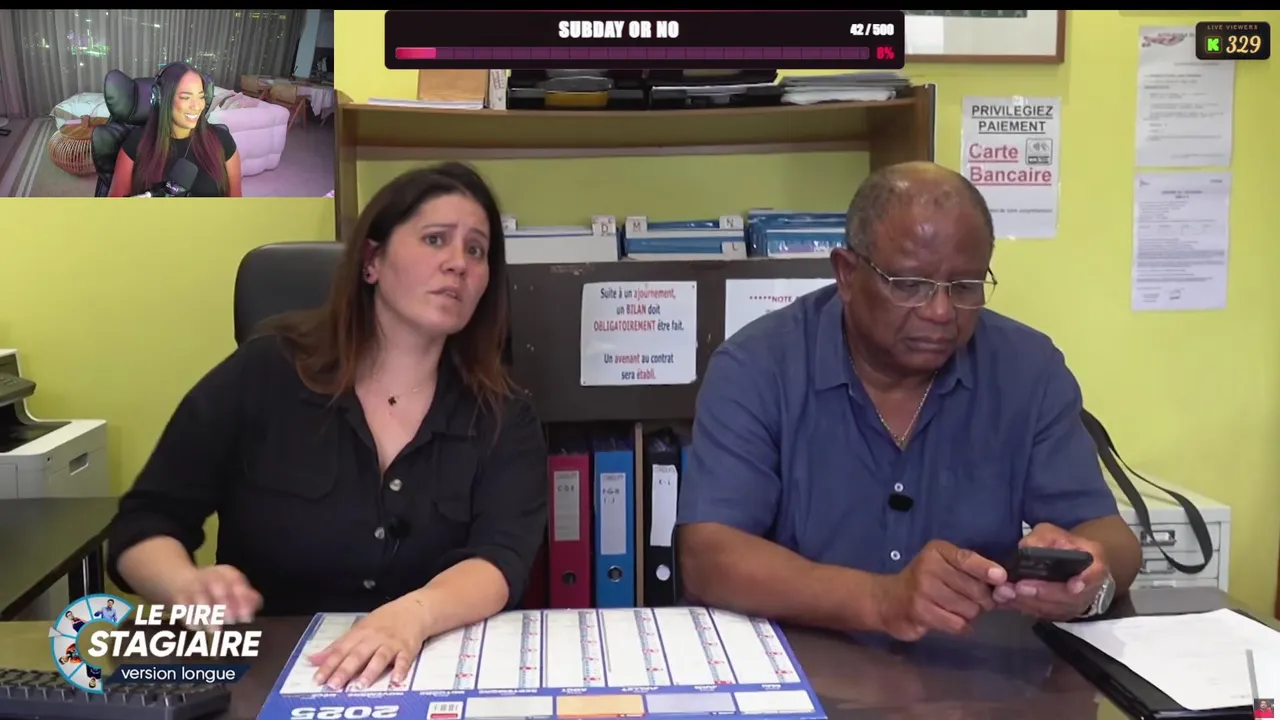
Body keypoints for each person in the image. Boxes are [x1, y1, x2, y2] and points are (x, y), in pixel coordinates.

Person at [106, 162, 548, 690]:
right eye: (435, 239)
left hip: (427, 672)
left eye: (476, 250)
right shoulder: (265, 372)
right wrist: (185, 586)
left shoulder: (504, 415)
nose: (458, 262)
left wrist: (413, 614)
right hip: (263, 674)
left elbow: (500, 559)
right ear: (372, 261)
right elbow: (144, 523)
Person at [676, 161, 1142, 642]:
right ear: (847, 274)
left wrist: (1090, 580)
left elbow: (1110, 537)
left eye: (964, 287)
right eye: (910, 285)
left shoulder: (1028, 370)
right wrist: (881, 600)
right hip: (806, 666)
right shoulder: (757, 367)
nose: (940, 312)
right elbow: (708, 556)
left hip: (978, 672)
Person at [107, 62, 242, 198]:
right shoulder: (136, 142)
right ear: (160, 98)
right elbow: (115, 205)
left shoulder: (222, 140)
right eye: (185, 97)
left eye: (201, 97)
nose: (197, 106)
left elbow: (236, 202)